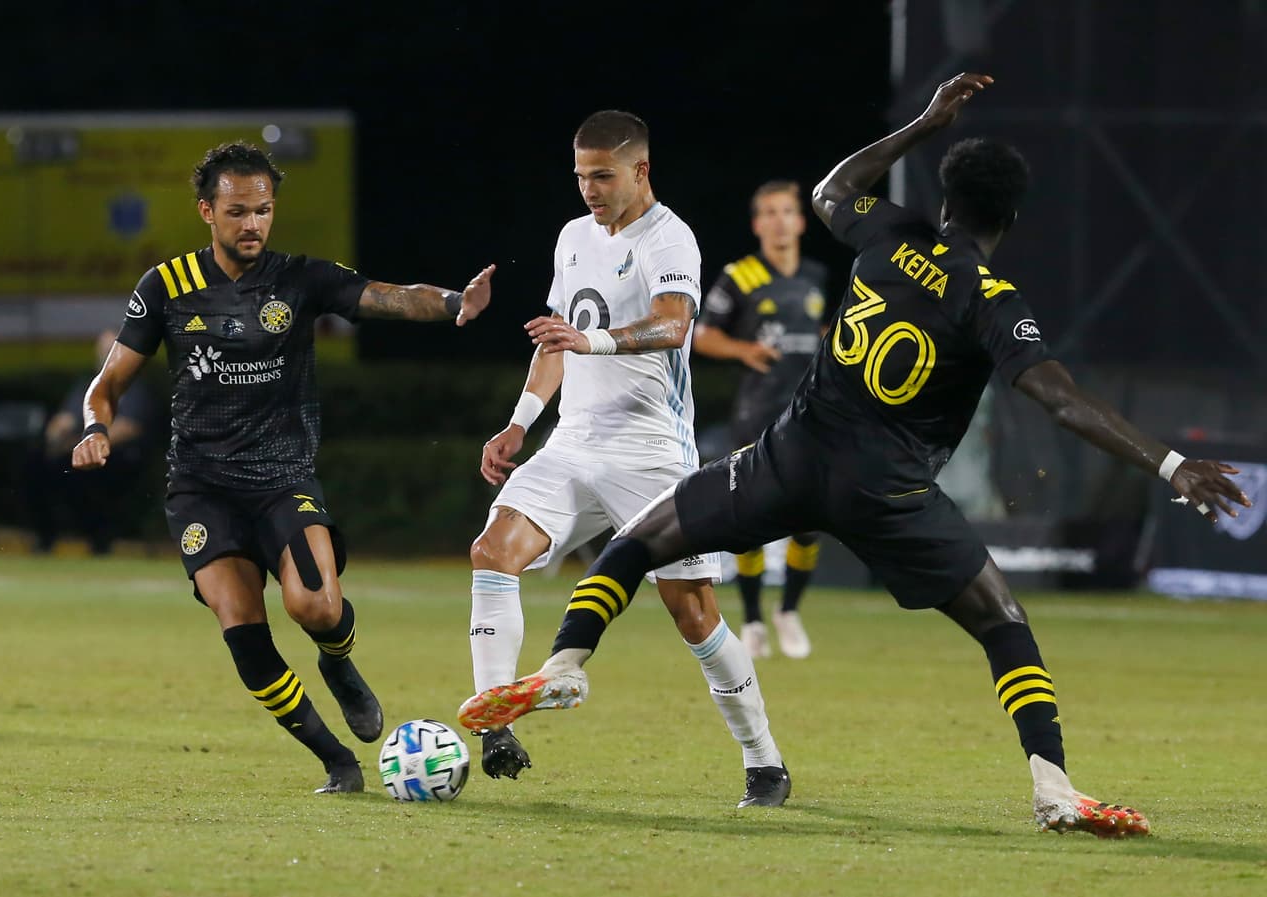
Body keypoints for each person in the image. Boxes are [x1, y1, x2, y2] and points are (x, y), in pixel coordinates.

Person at [458, 74, 1252, 836]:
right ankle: (1050, 782)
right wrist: (1173, 465)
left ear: (941, 199)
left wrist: (924, 123)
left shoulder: (888, 232)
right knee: (1004, 625)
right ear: (1009, 218)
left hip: (793, 456)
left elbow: (832, 189)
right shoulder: (991, 298)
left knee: (636, 543)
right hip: (891, 492)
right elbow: (1060, 397)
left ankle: (569, 659)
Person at [72, 141, 495, 794]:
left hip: (281, 478)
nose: (253, 224)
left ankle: (340, 661)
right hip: (200, 489)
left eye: (263, 210)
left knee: (317, 604)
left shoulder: (300, 277)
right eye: (238, 211)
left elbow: (385, 295)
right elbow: (107, 385)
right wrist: (95, 427)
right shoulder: (166, 287)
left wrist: (449, 302)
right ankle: (337, 760)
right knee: (241, 623)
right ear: (206, 211)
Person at [466, 109, 789, 808]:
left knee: (693, 612)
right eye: (580, 175)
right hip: (572, 443)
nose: (589, 188)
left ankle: (764, 760)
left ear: (640, 170)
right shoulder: (573, 236)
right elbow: (557, 339)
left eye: (602, 175)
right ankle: (494, 719)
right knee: (493, 551)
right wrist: (520, 423)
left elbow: (676, 323)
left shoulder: (669, 237)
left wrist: (597, 343)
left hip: (650, 451)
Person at [693, 180, 829, 659]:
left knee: (809, 520)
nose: (777, 220)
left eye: (786, 211)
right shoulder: (742, 275)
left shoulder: (816, 276)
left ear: (800, 221)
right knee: (749, 518)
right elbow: (701, 335)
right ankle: (752, 621)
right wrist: (743, 349)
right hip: (757, 415)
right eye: (768, 212)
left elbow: (827, 332)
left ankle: (788, 611)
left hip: (811, 415)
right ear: (756, 224)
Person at [25, 329, 160, 554]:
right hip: (80, 452)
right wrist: (56, 434)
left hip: (119, 456)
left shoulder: (137, 387)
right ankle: (45, 538)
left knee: (89, 476)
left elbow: (129, 427)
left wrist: (88, 444)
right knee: (35, 465)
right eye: (103, 351)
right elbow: (66, 418)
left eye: (111, 351)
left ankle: (99, 539)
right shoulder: (87, 386)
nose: (106, 357)